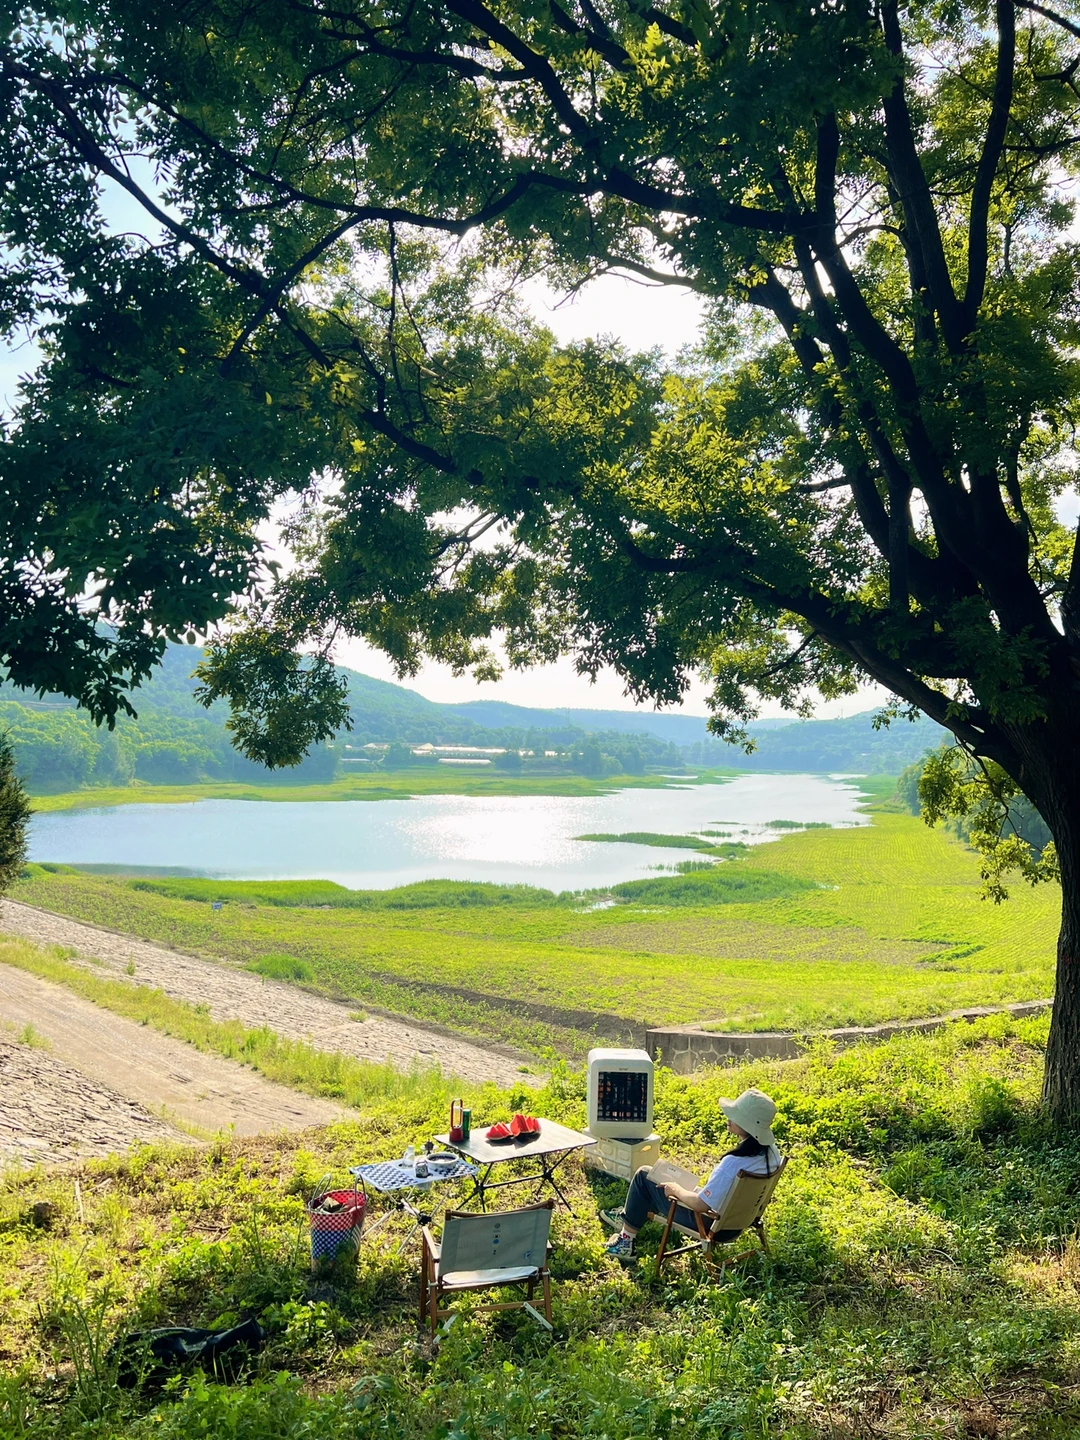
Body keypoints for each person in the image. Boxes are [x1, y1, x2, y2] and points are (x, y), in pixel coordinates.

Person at [603, 1088, 782, 1259]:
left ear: (748, 1126)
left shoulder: (733, 1163)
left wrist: (676, 1189)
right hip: (738, 1222)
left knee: (644, 1176)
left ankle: (626, 1241)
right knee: (663, 1177)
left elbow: (700, 1205)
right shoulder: (772, 1153)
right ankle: (630, 1214)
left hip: (710, 1224)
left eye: (735, 1116)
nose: (729, 1118)